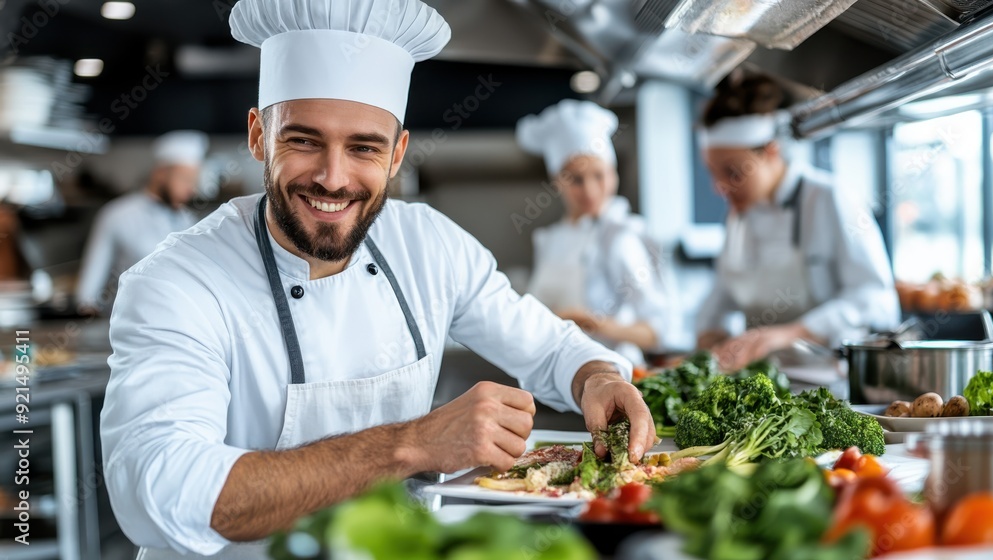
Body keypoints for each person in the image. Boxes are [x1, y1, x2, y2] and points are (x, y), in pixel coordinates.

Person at [99, 1, 655, 558]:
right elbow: (162, 493)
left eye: (364, 147)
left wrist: (598, 376)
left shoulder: (429, 244)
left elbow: (549, 344)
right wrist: (412, 445)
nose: (332, 178)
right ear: (258, 136)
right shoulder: (177, 283)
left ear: (397, 155)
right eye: (303, 141)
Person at [694, 73, 899, 373]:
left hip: (831, 385)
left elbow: (875, 299)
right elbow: (720, 300)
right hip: (761, 387)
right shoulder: (738, 216)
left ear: (770, 152)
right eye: (713, 173)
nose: (719, 187)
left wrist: (791, 333)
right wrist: (711, 342)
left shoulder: (829, 198)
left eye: (733, 173)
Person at [517, 100, 680, 365]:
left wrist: (596, 323)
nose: (590, 191)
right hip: (558, 372)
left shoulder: (619, 238)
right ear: (557, 180)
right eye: (575, 180)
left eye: (599, 175)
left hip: (614, 370)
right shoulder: (550, 239)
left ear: (614, 174)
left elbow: (659, 331)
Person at [75, 130, 208, 314]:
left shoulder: (189, 220)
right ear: (161, 173)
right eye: (185, 179)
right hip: (124, 329)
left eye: (194, 182)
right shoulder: (116, 215)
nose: (191, 190)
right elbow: (88, 294)